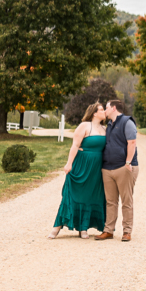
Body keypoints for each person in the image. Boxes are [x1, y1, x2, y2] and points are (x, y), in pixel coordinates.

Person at [49, 102, 108, 239]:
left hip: (97, 167)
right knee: (75, 194)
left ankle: (84, 227)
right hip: (83, 164)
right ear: (94, 113)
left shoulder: (105, 128)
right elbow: (75, 145)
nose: (104, 111)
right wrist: (69, 163)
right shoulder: (84, 126)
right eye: (101, 109)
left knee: (91, 195)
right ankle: (57, 227)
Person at [96, 99, 138, 242]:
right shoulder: (109, 124)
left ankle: (127, 231)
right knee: (110, 201)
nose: (104, 111)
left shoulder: (127, 122)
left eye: (106, 108)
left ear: (113, 108)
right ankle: (108, 230)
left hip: (123, 167)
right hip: (108, 168)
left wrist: (128, 162)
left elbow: (132, 142)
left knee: (126, 200)